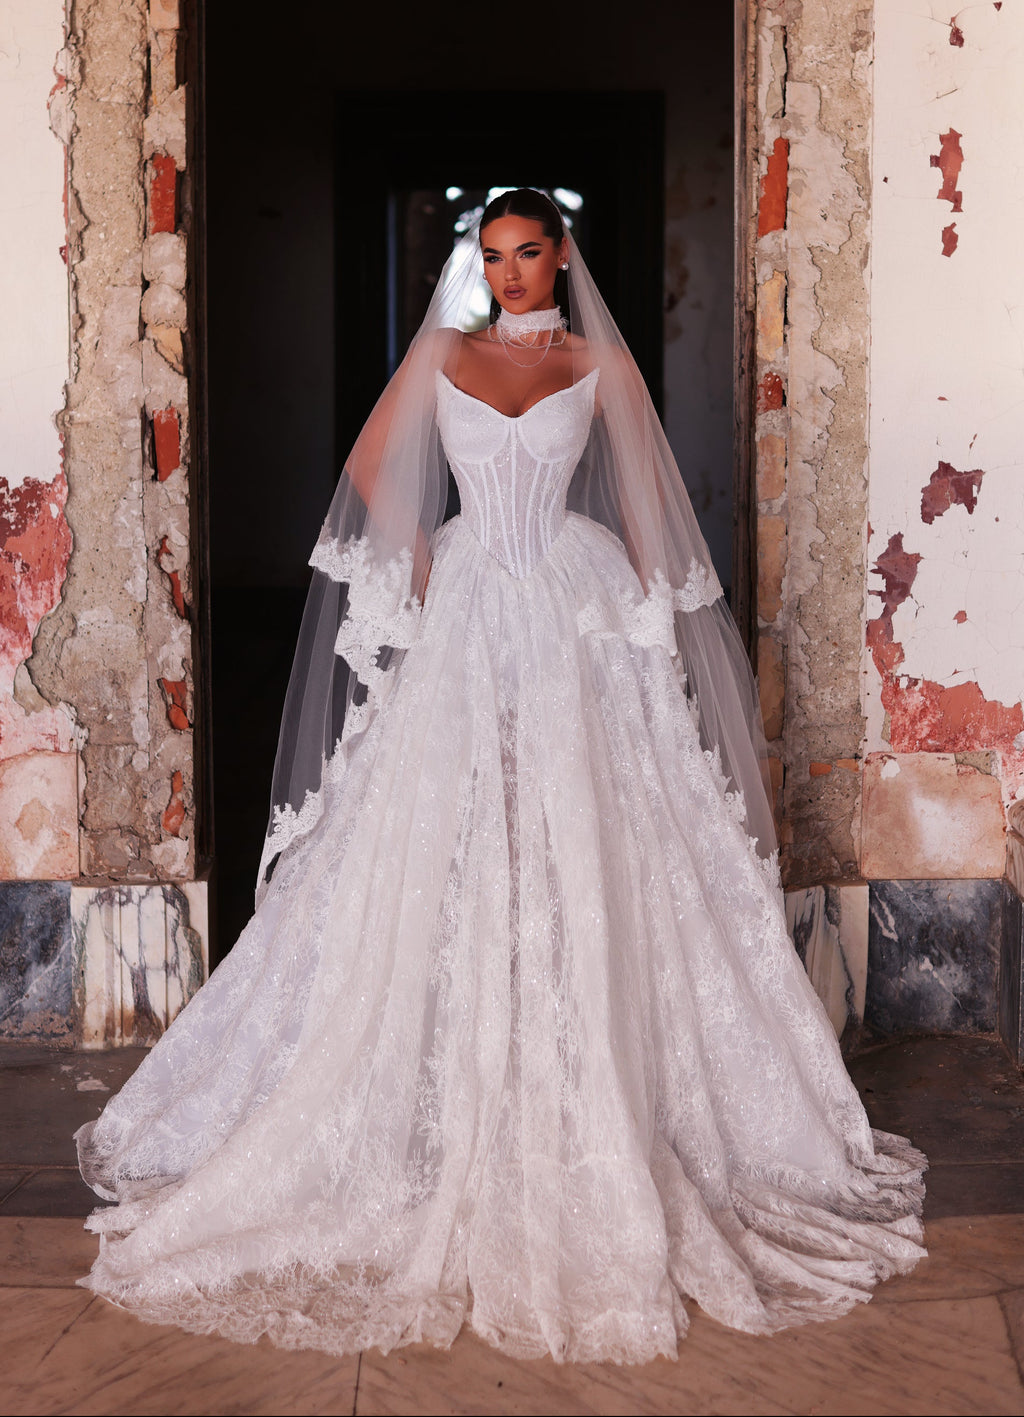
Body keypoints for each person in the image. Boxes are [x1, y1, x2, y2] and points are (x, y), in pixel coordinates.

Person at [77, 188, 925, 1365]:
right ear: (475, 264)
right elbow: (375, 472)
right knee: (452, 825)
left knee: (589, 825)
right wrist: (423, 566)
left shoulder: (599, 365)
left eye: (530, 253)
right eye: (494, 257)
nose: (513, 273)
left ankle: (593, 1072)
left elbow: (643, 507)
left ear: (563, 254)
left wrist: (644, 631)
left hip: (573, 607)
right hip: (472, 597)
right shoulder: (442, 353)